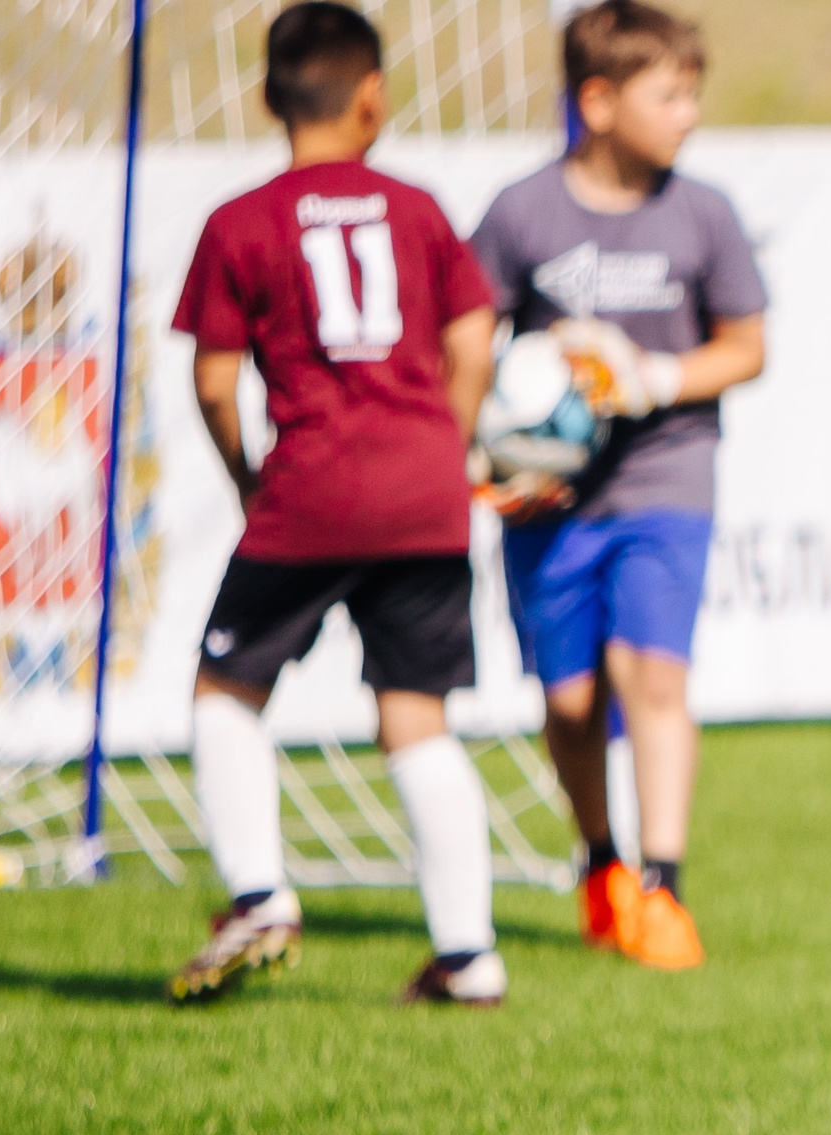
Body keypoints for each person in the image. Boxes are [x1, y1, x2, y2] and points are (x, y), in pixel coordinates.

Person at [167, 1, 505, 1008]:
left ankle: (261, 897)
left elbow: (215, 382)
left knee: (225, 691)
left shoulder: (239, 222)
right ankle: (468, 957)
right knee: (417, 717)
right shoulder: (417, 207)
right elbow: (475, 337)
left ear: (269, 97)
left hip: (312, 490)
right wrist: (443, 443)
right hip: (426, 497)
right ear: (373, 97)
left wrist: (246, 478)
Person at [469, 0, 766, 970]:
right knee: (569, 702)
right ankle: (599, 862)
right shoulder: (521, 213)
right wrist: (490, 450)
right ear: (596, 102)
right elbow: (467, 349)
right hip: (551, 500)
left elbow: (747, 346)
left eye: (692, 94)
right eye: (668, 95)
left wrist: (654, 379)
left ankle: (663, 885)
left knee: (653, 676)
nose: (689, 114)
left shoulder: (702, 212)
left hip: (665, 477)